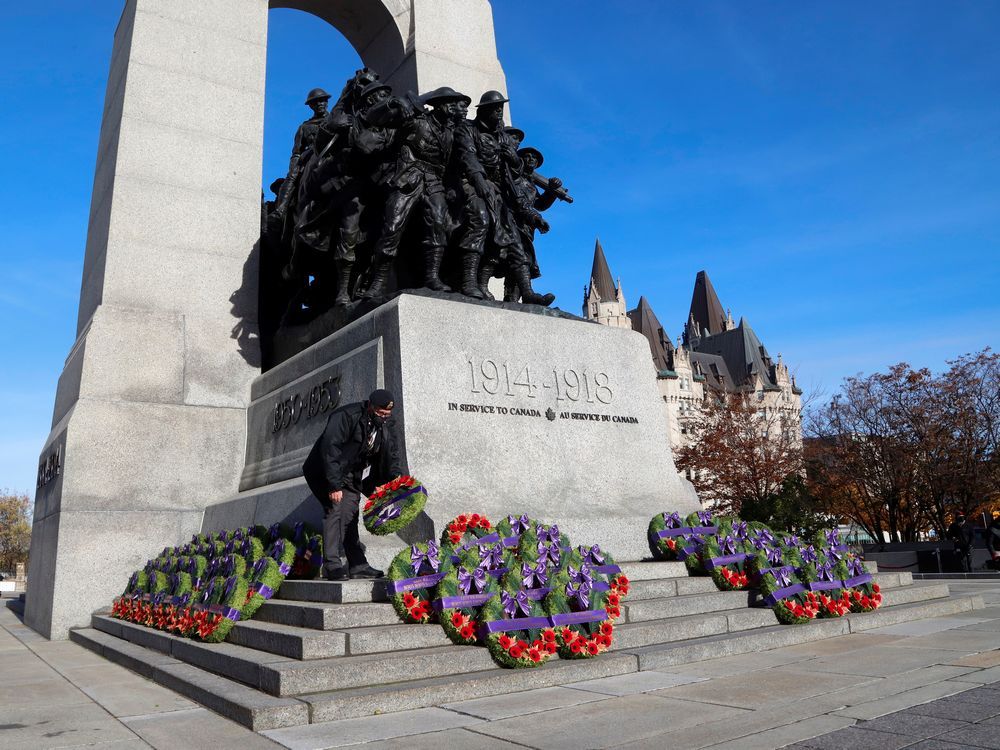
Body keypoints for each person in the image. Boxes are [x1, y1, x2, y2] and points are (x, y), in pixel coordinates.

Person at [302, 389, 404, 580]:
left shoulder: (387, 423)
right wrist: (333, 485)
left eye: (387, 414)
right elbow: (330, 449)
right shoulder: (347, 416)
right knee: (334, 510)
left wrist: (395, 481)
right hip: (327, 470)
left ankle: (358, 565)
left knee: (350, 514)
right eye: (380, 414)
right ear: (371, 407)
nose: (383, 418)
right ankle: (332, 565)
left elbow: (392, 454)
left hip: (353, 474)